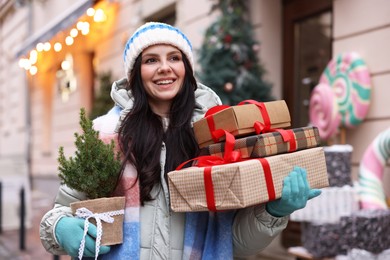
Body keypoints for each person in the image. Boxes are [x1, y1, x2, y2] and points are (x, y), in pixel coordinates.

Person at [40, 22, 321, 259]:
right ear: (136, 73)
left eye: (174, 58)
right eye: (151, 60)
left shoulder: (217, 139)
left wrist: (273, 212)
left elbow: (234, 244)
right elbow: (62, 210)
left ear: (186, 68)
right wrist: (61, 226)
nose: (165, 67)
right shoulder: (106, 134)